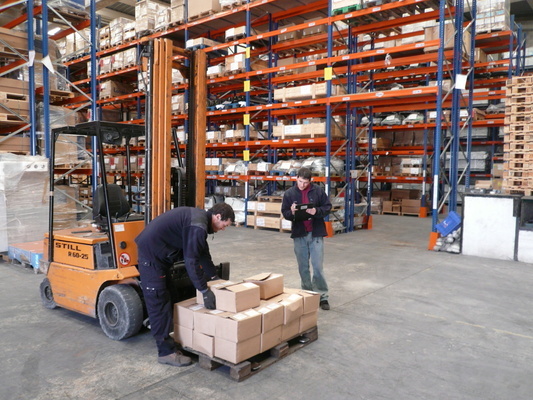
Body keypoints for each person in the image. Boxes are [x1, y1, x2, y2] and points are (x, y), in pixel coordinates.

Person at [135, 203, 235, 367]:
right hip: (152, 257)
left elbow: (202, 253)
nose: (223, 229)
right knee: (159, 300)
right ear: (217, 217)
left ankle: (165, 334)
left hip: (160, 257)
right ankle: (165, 353)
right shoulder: (198, 225)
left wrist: (215, 278)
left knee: (171, 295)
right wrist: (203, 289)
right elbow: (191, 262)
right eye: (224, 225)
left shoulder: (199, 221)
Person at [281, 167, 332, 310]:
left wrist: (317, 211)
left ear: (311, 181)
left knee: (317, 267)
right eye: (300, 181)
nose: (302, 185)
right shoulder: (289, 193)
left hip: (315, 233)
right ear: (296, 178)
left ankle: (322, 296)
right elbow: (284, 212)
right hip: (299, 234)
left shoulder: (318, 191)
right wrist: (291, 212)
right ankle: (307, 293)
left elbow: (328, 207)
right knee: (303, 268)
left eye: (305, 182)